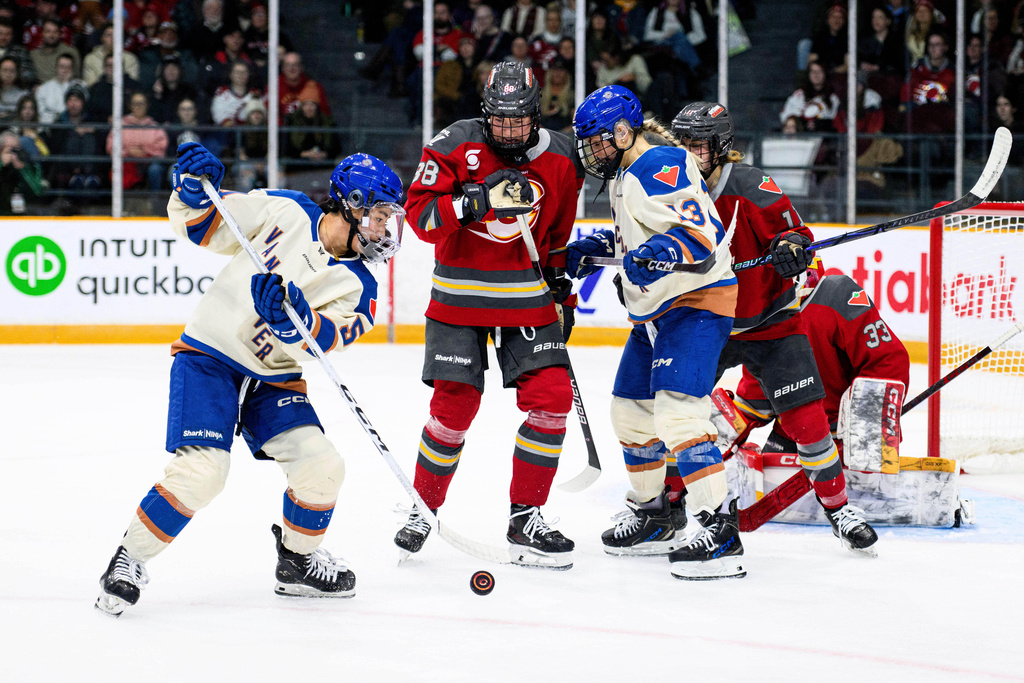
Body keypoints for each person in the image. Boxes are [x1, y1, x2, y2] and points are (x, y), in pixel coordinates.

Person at [95, 143, 406, 616]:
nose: (386, 228)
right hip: (210, 358)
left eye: (389, 218)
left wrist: (293, 321)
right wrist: (192, 189)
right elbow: (203, 225)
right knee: (203, 474)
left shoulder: (361, 286)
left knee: (323, 467)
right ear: (351, 204)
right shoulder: (285, 209)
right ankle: (128, 559)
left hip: (273, 379)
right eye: (380, 215)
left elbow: (325, 343)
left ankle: (298, 563)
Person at [395, 61, 584, 570]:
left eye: (517, 120)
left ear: (535, 113)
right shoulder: (454, 143)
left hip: (528, 299)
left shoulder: (564, 156)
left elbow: (559, 238)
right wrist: (473, 200)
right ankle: (422, 506)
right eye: (499, 121)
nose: (508, 130)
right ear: (486, 113)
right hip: (459, 300)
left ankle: (526, 519)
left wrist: (563, 295)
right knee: (454, 409)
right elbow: (421, 219)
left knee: (551, 401)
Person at [671, 101, 879, 556]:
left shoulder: (751, 184)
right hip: (708, 322)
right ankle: (667, 506)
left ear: (721, 147)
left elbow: (796, 234)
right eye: (681, 143)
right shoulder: (667, 190)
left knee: (807, 421)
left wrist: (790, 248)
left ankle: (839, 508)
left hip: (771, 321)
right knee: (677, 413)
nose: (688, 153)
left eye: (698, 145)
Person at [564, 86, 743, 580]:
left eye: (598, 141)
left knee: (678, 415)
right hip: (657, 313)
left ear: (624, 132)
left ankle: (720, 527)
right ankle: (655, 514)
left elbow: (699, 236)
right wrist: (601, 248)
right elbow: (646, 237)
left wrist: (660, 253)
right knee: (630, 412)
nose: (592, 152)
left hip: (695, 303)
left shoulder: (656, 164)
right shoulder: (628, 172)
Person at [723, 262, 910, 462]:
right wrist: (721, 430)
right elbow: (758, 393)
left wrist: (866, 429)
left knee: (852, 490)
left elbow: (888, 361)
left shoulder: (837, 295)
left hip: (843, 437)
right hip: (792, 431)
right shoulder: (765, 315)